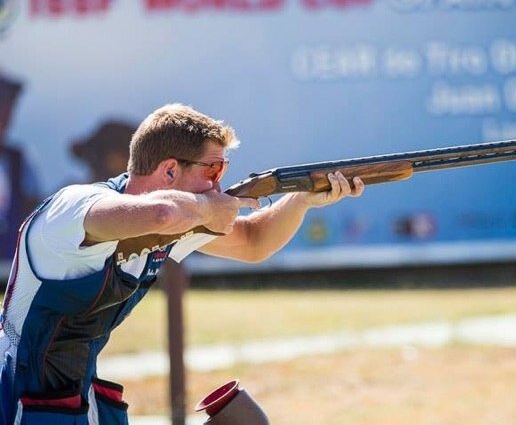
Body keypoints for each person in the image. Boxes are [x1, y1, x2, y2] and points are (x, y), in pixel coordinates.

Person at [0, 103, 364, 424]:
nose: (218, 187)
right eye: (213, 171)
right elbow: (160, 214)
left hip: (74, 402)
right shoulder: (74, 206)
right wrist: (207, 209)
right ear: (170, 171)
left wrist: (300, 200)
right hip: (16, 400)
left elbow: (254, 243)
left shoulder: (178, 218)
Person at [0, 73, 41, 260]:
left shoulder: (19, 161)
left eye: (9, 102)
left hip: (8, 272)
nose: (5, 110)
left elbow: (34, 215)